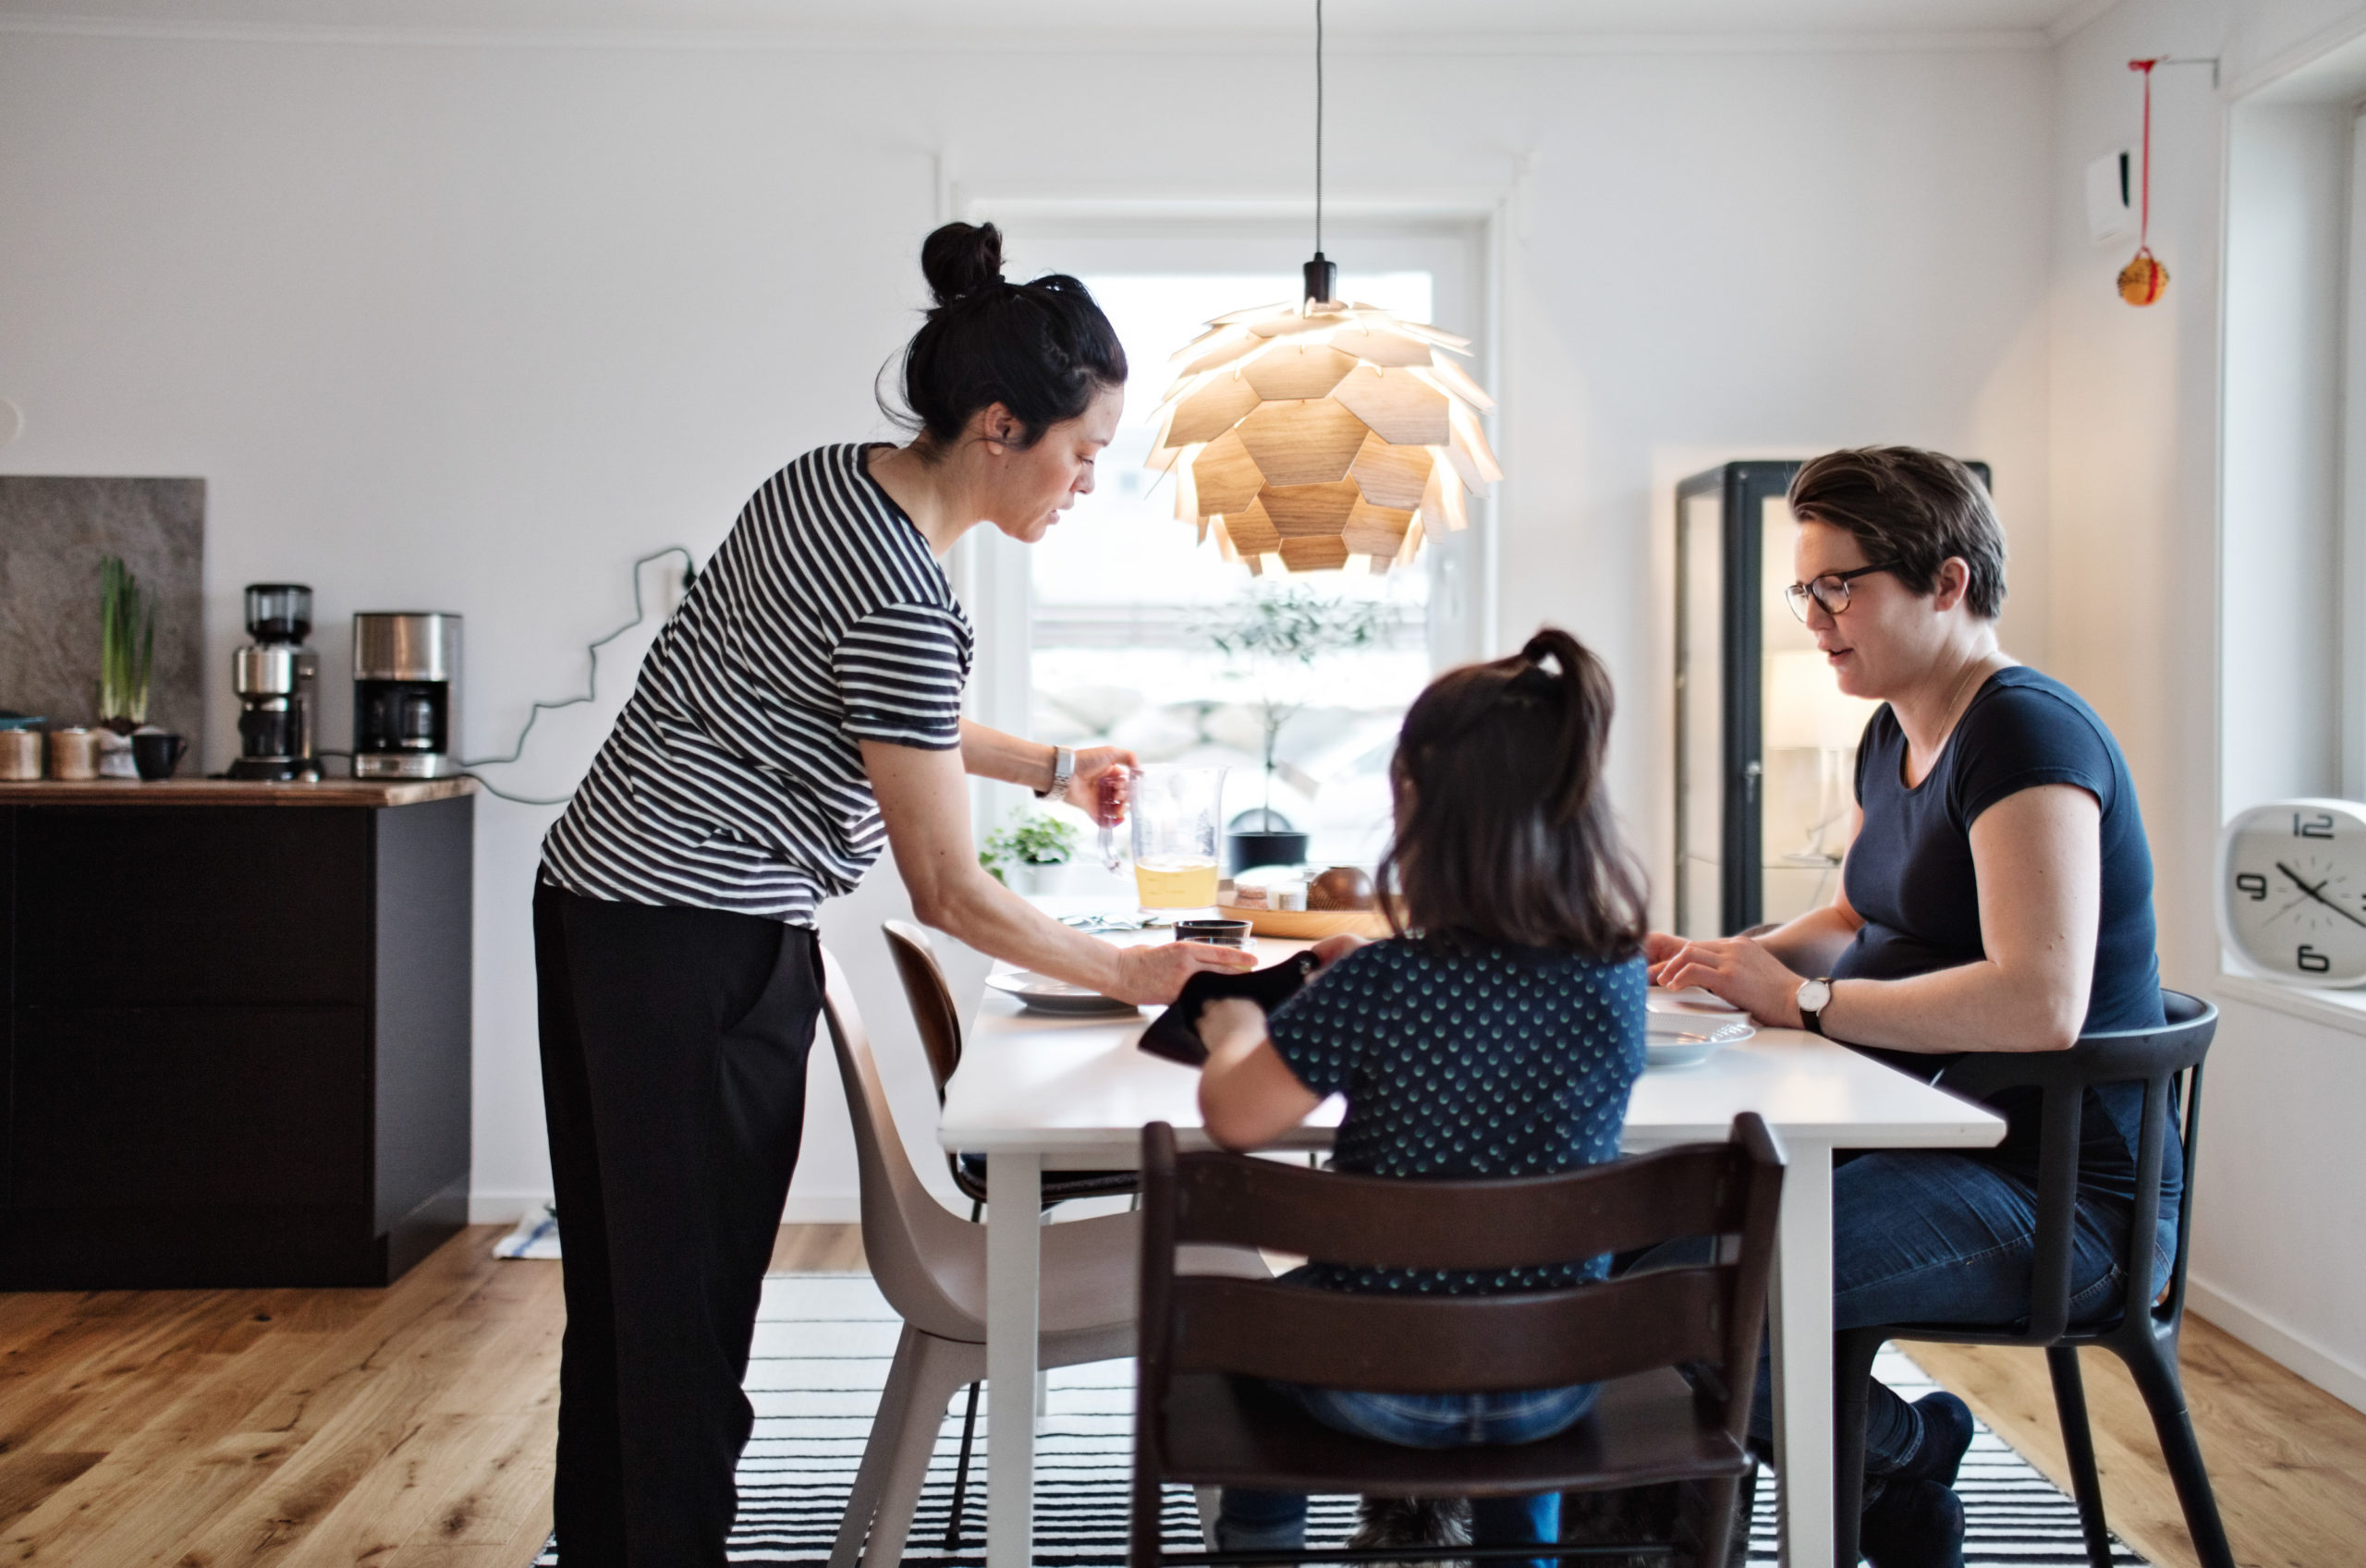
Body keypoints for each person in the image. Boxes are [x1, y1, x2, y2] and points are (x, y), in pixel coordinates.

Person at [531, 221, 1254, 1565]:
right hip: (700, 944)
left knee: (630, 1312)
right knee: (689, 1329)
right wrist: (1129, 975)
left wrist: (1047, 762)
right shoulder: (904, 595)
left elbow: (868, 709)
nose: (1088, 478)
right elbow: (947, 889)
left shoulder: (825, 487)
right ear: (999, 424)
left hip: (594, 905)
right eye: (1082, 450)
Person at [1650, 447, 2176, 1568]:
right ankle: (1886, 1458)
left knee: (1688, 1297)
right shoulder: (1892, 727)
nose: (1814, 617)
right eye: (1808, 589)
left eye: (1838, 586)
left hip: (2057, 1197)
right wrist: (1720, 958)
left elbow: (2040, 1000)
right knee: (1640, 1247)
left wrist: (1803, 999)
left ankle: (1899, 1452)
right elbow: (1850, 907)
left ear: (1944, 582)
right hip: (1928, 1138)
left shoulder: (2026, 733)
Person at [1194, 627, 1652, 1568]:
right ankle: (1519, 1554)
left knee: (1233, 1335)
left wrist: (1236, 1031)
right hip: (1551, 1376)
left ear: (1415, 801)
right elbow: (1493, 1026)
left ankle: (1258, 1546)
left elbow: (1236, 1117)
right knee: (1525, 1333)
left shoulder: (1382, 985)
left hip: (1374, 1374)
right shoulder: (1613, 978)